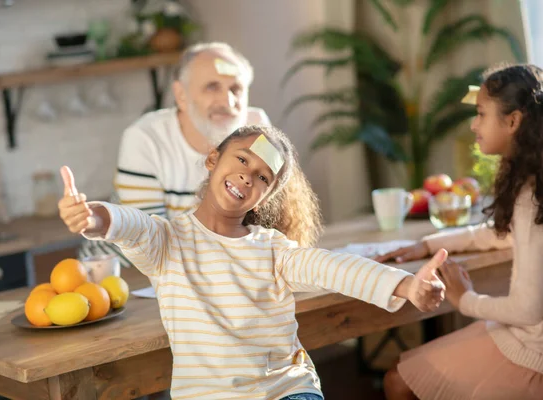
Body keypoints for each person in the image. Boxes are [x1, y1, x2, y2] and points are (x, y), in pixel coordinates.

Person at [59, 125, 448, 400]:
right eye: (242, 159)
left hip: (287, 391)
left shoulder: (273, 249)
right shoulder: (168, 241)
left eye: (263, 177)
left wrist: (407, 285)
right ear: (213, 159)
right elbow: (130, 224)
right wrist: (93, 217)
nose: (248, 177)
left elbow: (331, 266)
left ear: (264, 198)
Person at [376, 64, 543, 400]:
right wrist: (427, 244)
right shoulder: (532, 186)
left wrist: (464, 300)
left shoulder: (532, 197)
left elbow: (527, 310)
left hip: (534, 353)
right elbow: (500, 234)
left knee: (397, 380)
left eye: (481, 114)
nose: (473, 124)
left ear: (513, 121)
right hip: (528, 338)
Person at [79, 42, 271, 263]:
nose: (227, 102)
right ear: (181, 95)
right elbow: (150, 240)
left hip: (215, 270)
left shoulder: (259, 132)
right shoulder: (145, 138)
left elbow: (270, 222)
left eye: (235, 89)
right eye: (212, 87)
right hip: (124, 272)